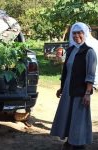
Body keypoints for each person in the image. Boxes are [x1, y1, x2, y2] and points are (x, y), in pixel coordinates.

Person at [50, 22, 97, 150]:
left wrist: (87, 93)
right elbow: (67, 71)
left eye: (79, 33)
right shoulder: (71, 50)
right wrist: (61, 87)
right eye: (74, 33)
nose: (77, 36)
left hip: (80, 92)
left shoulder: (89, 52)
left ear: (85, 34)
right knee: (67, 115)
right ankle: (70, 141)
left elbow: (90, 76)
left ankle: (79, 144)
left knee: (78, 119)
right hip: (67, 90)